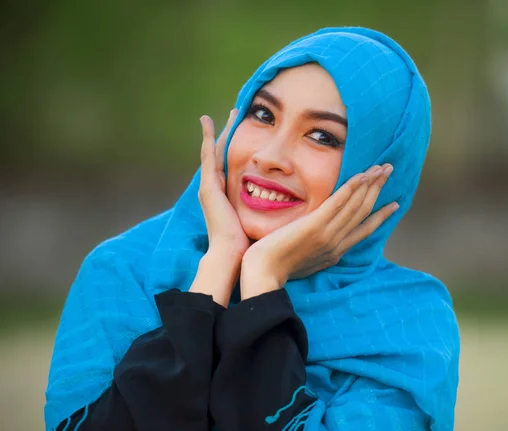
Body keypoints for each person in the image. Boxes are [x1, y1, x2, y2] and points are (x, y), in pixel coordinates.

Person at [45, 27, 460, 431]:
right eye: (263, 115)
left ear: (380, 173)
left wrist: (262, 281)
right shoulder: (124, 272)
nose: (270, 156)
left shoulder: (407, 323)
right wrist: (219, 265)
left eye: (321, 136)